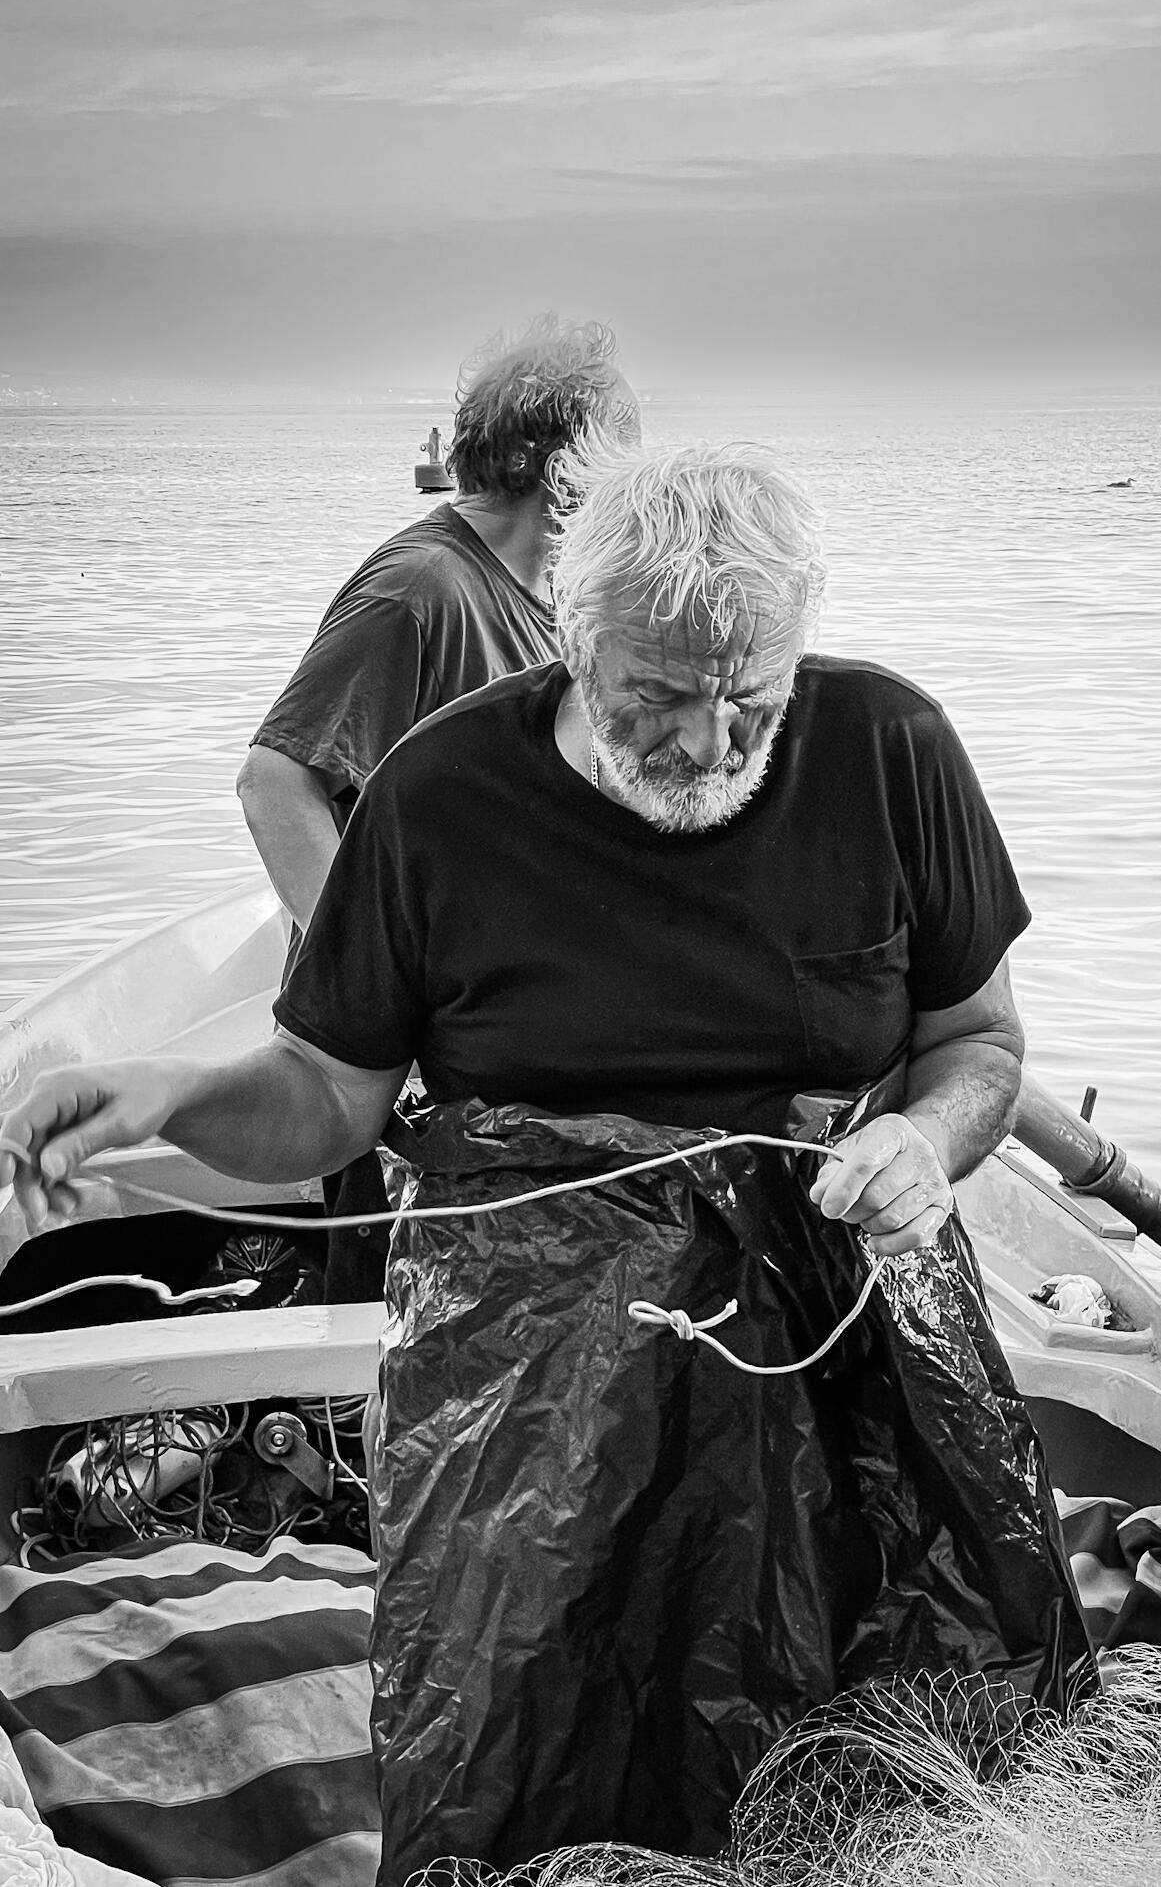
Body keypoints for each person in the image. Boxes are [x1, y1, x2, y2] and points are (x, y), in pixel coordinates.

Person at [0, 441, 1092, 1879]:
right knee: (521, 1744)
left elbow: (978, 1041)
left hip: (850, 1332)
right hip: (530, 1369)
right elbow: (325, 1098)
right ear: (570, 638)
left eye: (751, 699)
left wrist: (923, 1136)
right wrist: (165, 1095)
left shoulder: (893, 747)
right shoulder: (436, 797)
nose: (710, 744)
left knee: (910, 1719)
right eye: (659, 698)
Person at [236, 314, 640, 1298]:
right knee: (387, 1313)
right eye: (625, 460)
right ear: (564, 469)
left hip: (496, 1034)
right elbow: (276, 785)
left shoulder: (552, 600)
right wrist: (384, 989)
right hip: (395, 1059)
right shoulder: (419, 591)